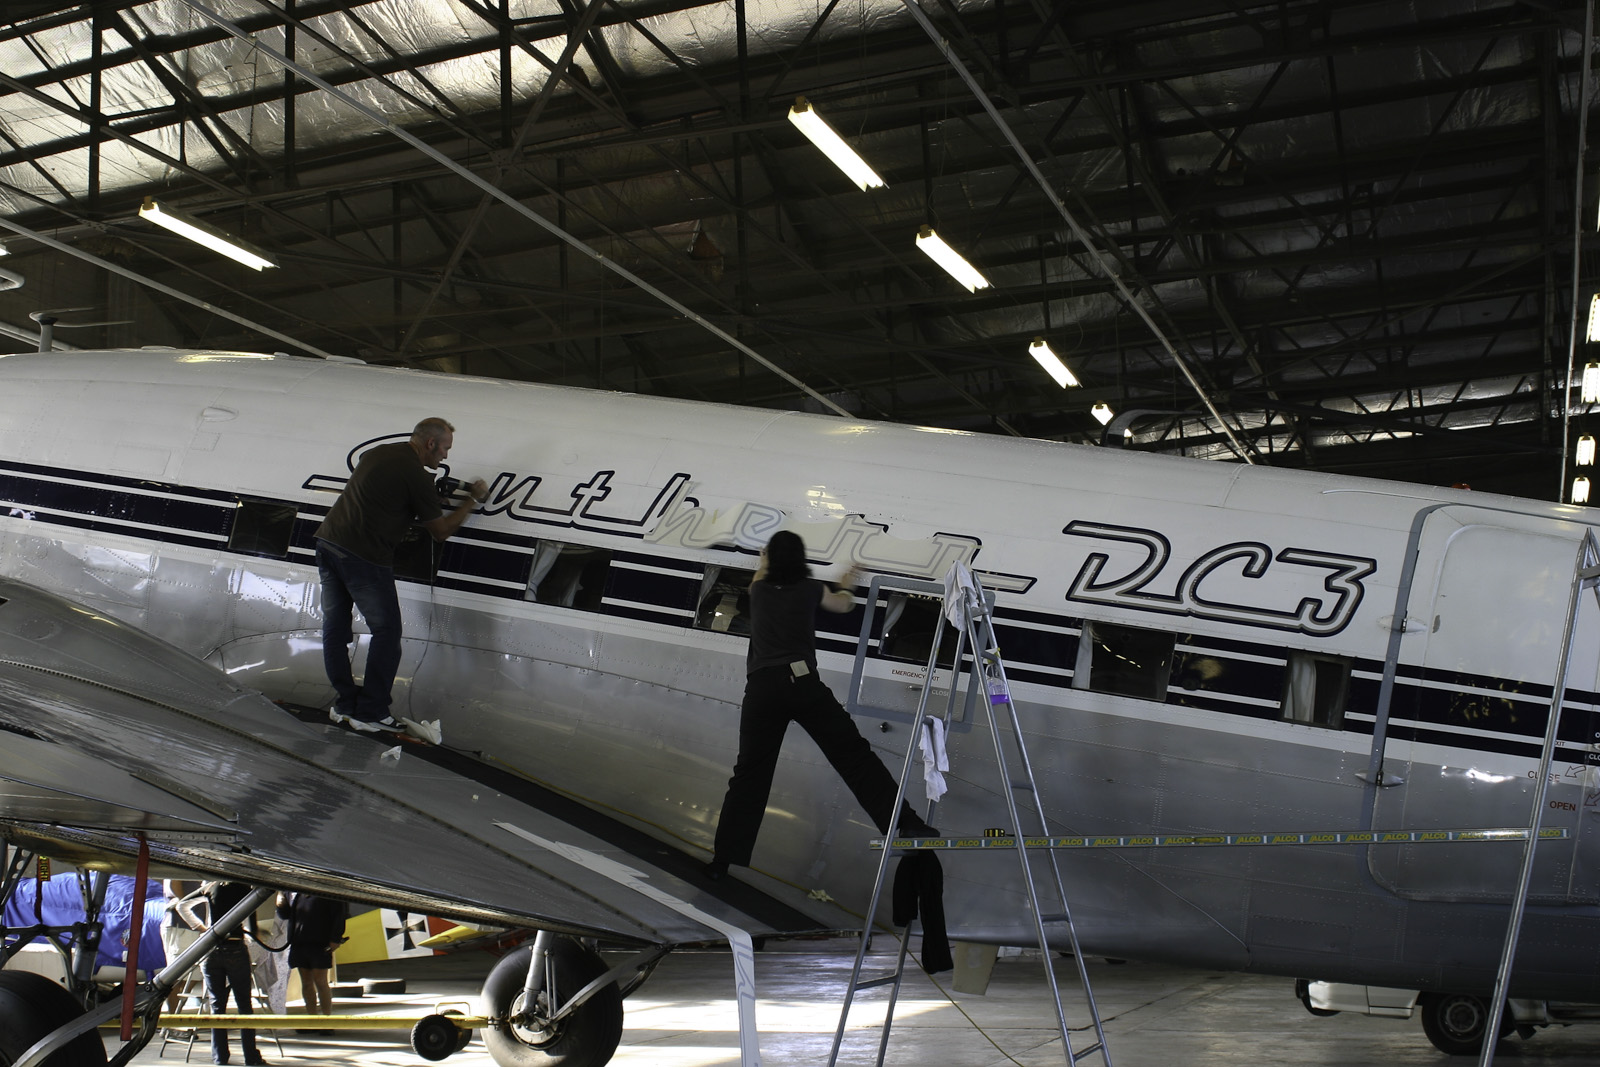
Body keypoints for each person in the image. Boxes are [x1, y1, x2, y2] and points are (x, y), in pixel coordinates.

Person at [706, 530, 937, 880]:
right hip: (802, 684)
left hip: (762, 690)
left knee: (750, 774)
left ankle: (722, 861)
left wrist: (764, 560)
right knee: (854, 757)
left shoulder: (760, 591)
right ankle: (906, 825)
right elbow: (843, 604)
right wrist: (848, 580)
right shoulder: (810, 590)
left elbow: (760, 575)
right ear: (801, 559)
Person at [316, 418, 488, 731]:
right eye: (445, 448)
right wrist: (471, 501)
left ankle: (344, 704)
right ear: (431, 444)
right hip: (363, 557)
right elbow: (440, 532)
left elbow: (382, 495)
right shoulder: (415, 475)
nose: (445, 457)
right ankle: (370, 713)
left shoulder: (380, 452)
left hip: (329, 543)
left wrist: (425, 501)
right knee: (387, 632)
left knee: (336, 627)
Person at [194, 881, 263, 1067]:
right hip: (235, 947)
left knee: (217, 1005)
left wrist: (201, 928)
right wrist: (252, 936)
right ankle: (251, 1057)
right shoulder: (244, 888)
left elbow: (182, 905)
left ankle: (220, 1057)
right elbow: (252, 920)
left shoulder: (210, 887)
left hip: (211, 949)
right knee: (244, 1006)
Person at [275, 891, 346, 1033]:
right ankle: (312, 1018)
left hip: (318, 943)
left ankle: (327, 1020)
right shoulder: (297, 895)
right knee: (306, 982)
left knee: (320, 981)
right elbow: (286, 915)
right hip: (300, 942)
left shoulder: (326, 892)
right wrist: (280, 903)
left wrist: (335, 938)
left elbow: (339, 914)